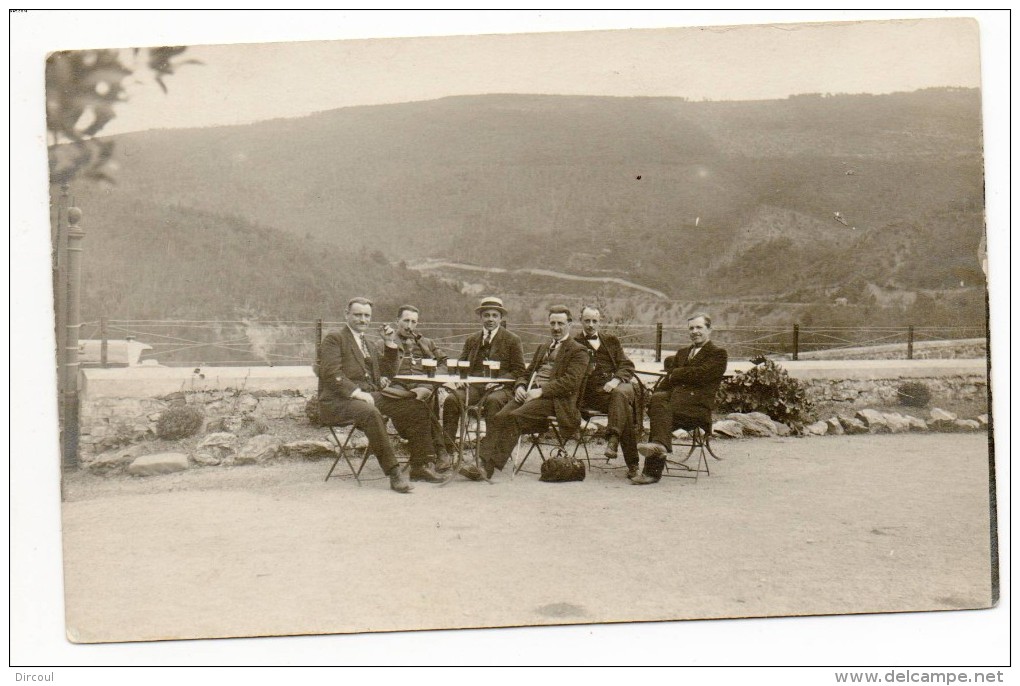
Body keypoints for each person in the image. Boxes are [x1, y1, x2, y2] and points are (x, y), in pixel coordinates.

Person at [316, 297, 445, 493]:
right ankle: (394, 473)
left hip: (369, 396)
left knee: (416, 405)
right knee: (371, 412)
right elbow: (331, 373)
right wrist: (356, 392)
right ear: (346, 315)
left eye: (366, 315)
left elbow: (388, 371)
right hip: (339, 401)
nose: (363, 319)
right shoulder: (335, 338)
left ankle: (420, 466)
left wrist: (389, 343)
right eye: (358, 315)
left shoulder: (367, 342)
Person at [473, 305, 590, 480]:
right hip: (529, 395)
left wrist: (541, 391)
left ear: (570, 324)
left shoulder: (578, 350)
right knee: (499, 417)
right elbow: (526, 373)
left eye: (560, 323)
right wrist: (520, 386)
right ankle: (480, 463)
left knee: (514, 417)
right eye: (552, 323)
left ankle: (486, 468)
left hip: (556, 402)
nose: (556, 328)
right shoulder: (543, 347)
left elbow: (571, 382)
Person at [634, 312, 728, 485]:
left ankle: (652, 471)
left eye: (699, 327)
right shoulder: (682, 353)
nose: (694, 331)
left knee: (661, 410)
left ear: (709, 329)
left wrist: (676, 373)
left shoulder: (718, 354)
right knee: (659, 399)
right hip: (673, 407)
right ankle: (660, 447)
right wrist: (657, 395)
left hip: (697, 409)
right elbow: (669, 382)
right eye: (691, 328)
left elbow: (700, 375)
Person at [441, 296, 526, 452]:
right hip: (474, 388)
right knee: (451, 400)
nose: (490, 319)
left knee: (493, 402)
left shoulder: (512, 340)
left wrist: (501, 381)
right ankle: (447, 451)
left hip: (501, 389)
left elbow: (519, 371)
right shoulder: (472, 340)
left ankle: (486, 456)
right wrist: (461, 378)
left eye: (495, 315)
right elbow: (461, 364)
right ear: (480, 317)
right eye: (486, 315)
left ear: (501, 318)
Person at [574, 305, 641, 479]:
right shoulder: (574, 343)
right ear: (580, 320)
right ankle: (632, 463)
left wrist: (615, 380)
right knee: (623, 408)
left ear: (599, 322)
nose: (590, 325)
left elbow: (627, 365)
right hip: (593, 396)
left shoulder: (611, 340)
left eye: (594, 321)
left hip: (618, 386)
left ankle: (613, 439)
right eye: (587, 321)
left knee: (620, 395)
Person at [388, 304, 454, 471]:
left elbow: (445, 364)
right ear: (397, 321)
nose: (409, 325)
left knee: (425, 397)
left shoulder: (426, 342)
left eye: (413, 322)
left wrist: (431, 379)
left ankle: (428, 456)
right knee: (420, 402)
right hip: (398, 387)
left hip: (424, 385)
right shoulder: (387, 341)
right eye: (406, 320)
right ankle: (438, 452)